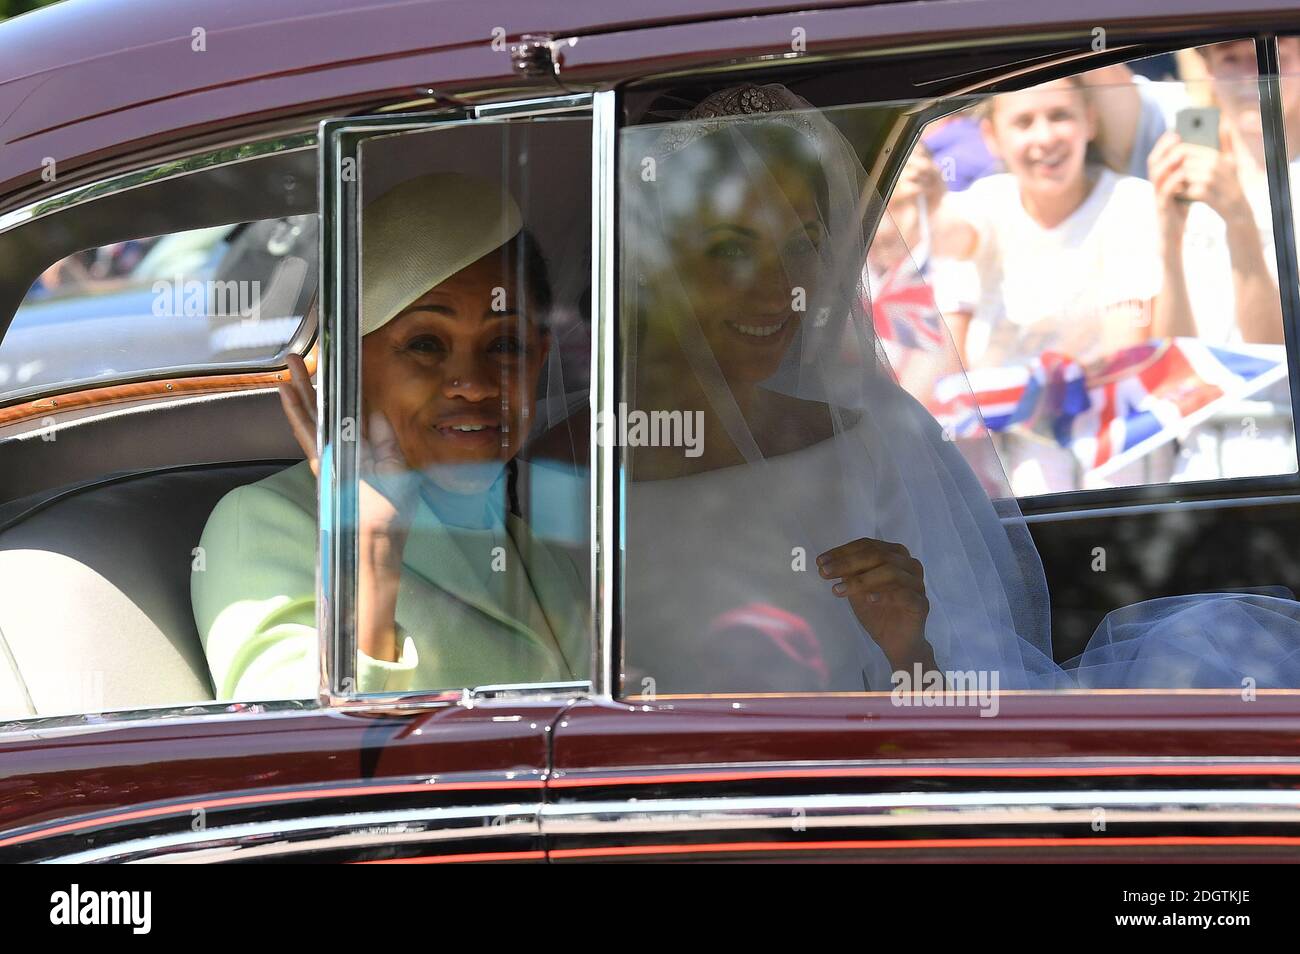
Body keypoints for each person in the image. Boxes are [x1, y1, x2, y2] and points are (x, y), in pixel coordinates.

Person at [620, 83, 1062, 694]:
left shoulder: (872, 434)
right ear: (658, 260)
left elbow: (944, 716)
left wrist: (908, 645)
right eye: (731, 250)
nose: (780, 288)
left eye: (801, 246)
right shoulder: (576, 464)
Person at [192, 173, 589, 700]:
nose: (471, 383)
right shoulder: (262, 522)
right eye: (425, 343)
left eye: (504, 345)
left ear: (538, 358)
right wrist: (371, 560)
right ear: (349, 366)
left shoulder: (530, 546)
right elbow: (294, 761)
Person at [929, 75, 1169, 494]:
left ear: (1089, 122)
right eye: (1023, 122)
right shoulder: (980, 203)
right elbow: (955, 241)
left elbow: (1123, 352)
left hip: (1104, 451)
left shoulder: (1130, 203)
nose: (1044, 138)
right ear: (992, 137)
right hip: (996, 458)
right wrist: (928, 206)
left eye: (1060, 116)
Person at [1150, 38, 1300, 481]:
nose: (1252, 75)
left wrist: (1240, 224)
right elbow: (1171, 371)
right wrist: (1169, 241)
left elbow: (1276, 361)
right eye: (1230, 58)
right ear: (1207, 69)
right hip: (1201, 462)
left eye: (1273, 57)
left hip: (1286, 455)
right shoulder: (1186, 168)